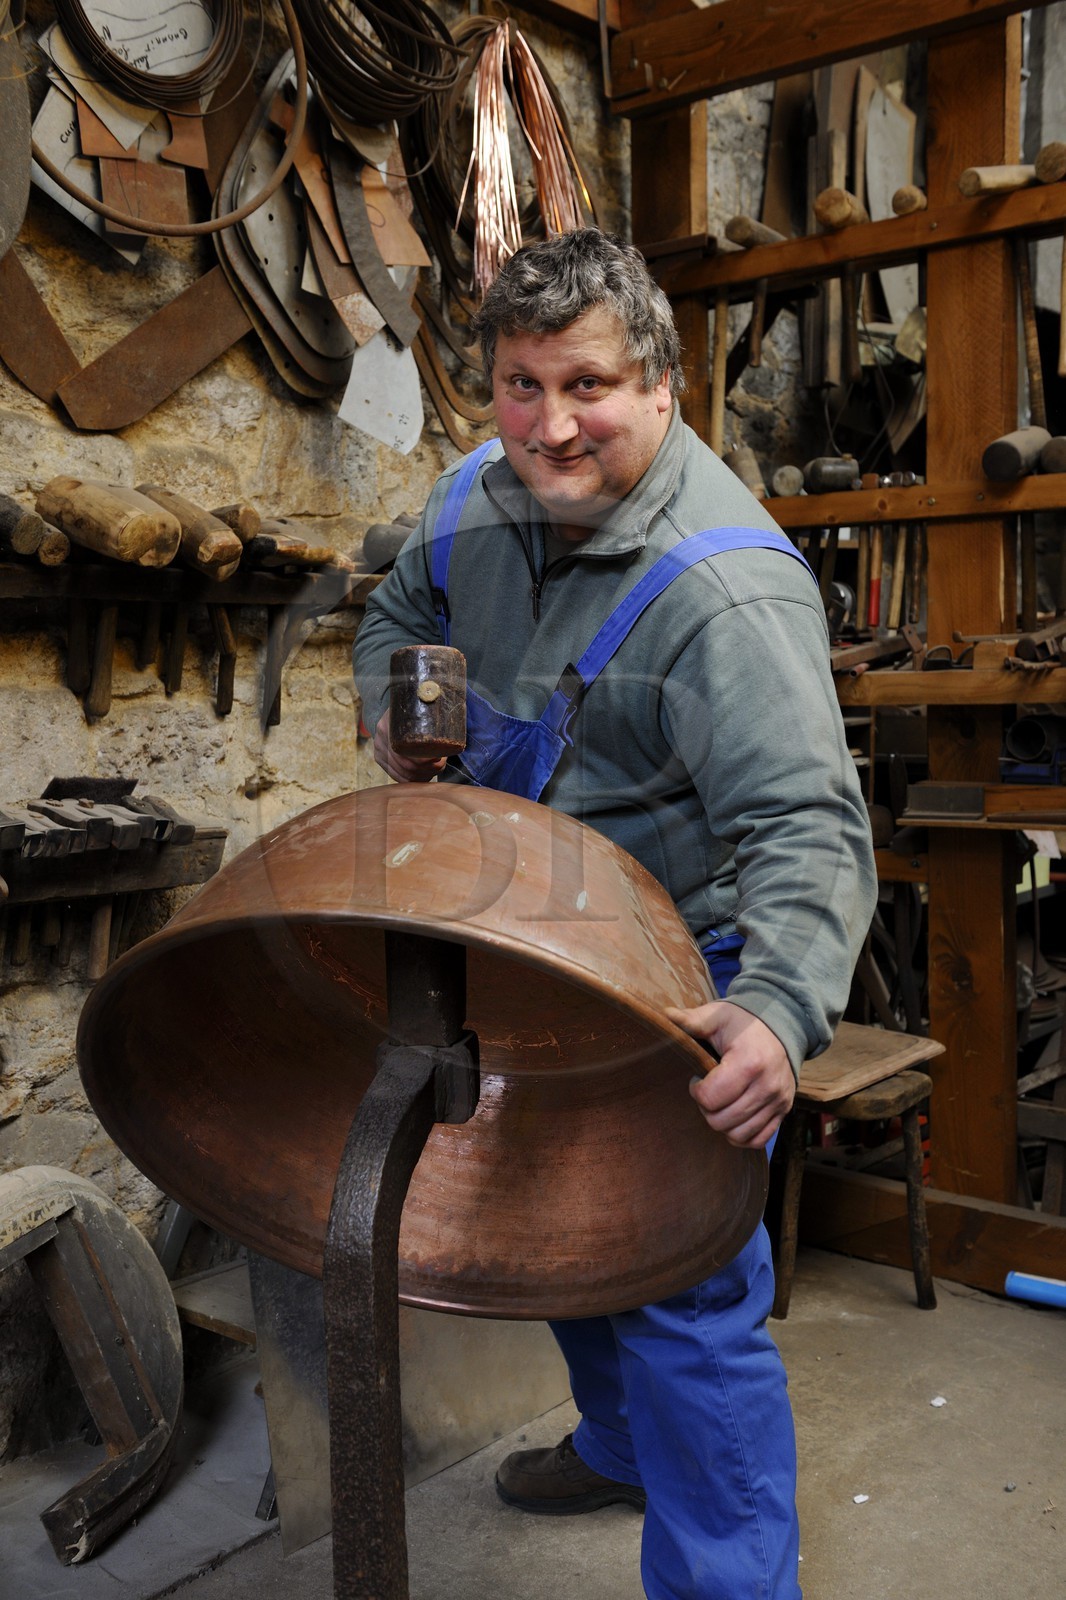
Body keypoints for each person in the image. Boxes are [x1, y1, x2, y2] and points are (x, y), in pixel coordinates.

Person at [353, 228, 876, 1600]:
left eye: (584, 385)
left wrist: (774, 1006)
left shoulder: (725, 594)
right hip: (527, 935)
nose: (549, 425)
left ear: (659, 384)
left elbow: (807, 827)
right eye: (519, 386)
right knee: (561, 1228)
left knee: (683, 1293)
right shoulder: (474, 492)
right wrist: (398, 703)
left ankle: (726, 1580)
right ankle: (617, 1444)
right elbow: (404, 602)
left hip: (670, 969)